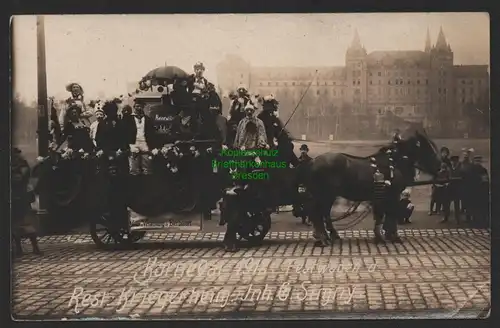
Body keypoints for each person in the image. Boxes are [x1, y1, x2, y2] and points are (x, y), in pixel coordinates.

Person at [11, 148, 42, 257]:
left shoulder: (21, 164)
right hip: (16, 197)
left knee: (24, 223)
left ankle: (34, 247)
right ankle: (20, 248)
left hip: (20, 197)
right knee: (16, 224)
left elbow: (20, 178)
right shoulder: (17, 164)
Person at [122, 99, 156, 175]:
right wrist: (128, 145)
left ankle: (146, 184)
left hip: (145, 144)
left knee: (147, 169)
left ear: (143, 107)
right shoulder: (128, 119)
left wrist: (153, 146)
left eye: (140, 106)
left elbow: (152, 134)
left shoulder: (148, 119)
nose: (138, 108)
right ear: (134, 107)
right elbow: (124, 133)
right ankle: (135, 185)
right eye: (137, 106)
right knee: (133, 169)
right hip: (133, 145)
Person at [466, 155, 490, 227]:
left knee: (480, 208)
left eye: (479, 161)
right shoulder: (471, 170)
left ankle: (480, 222)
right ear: (473, 161)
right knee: (475, 207)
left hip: (480, 191)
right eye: (477, 161)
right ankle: (476, 221)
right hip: (474, 191)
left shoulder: (483, 170)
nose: (478, 162)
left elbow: (485, 181)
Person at [442, 155, 462, 224]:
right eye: (452, 161)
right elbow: (445, 177)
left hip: (457, 189)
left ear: (457, 162)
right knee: (446, 204)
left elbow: (462, 178)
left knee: (457, 205)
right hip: (449, 189)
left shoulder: (460, 169)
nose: (453, 163)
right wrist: (446, 182)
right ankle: (446, 217)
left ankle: (458, 219)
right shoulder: (449, 169)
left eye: (455, 161)